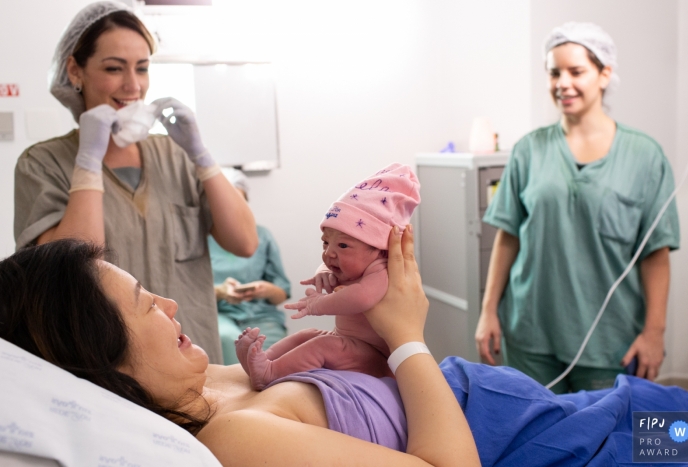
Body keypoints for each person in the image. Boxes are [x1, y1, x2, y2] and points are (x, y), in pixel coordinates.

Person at [0, 231, 480, 466]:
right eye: (146, 304)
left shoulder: (209, 382)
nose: (168, 304)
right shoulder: (234, 437)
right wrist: (406, 336)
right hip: (493, 421)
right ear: (100, 352)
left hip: (474, 390)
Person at [13, 1, 257, 364]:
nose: (133, 85)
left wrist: (201, 156)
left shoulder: (175, 155)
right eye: (114, 68)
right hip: (109, 364)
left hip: (191, 358)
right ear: (75, 71)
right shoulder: (42, 164)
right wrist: (89, 162)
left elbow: (245, 242)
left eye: (142, 69)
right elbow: (76, 270)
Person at [475, 22, 680, 393]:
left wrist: (654, 332)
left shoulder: (644, 156)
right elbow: (508, 238)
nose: (562, 83)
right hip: (530, 335)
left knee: (609, 443)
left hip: (610, 342)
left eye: (576, 71)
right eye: (554, 72)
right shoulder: (528, 151)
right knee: (536, 440)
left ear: (605, 74)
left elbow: (656, 254)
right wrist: (488, 311)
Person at [237, 163, 420, 390]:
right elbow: (326, 266)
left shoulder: (382, 270)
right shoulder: (353, 265)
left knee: (324, 345)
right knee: (308, 335)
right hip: (351, 343)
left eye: (343, 245)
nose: (329, 253)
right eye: (326, 242)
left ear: (379, 248)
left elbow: (361, 298)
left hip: (376, 359)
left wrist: (318, 305)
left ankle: (268, 373)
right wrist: (323, 272)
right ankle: (263, 360)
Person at [210, 168, 291, 365]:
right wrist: (219, 292)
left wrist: (266, 290)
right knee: (227, 343)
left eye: (238, 203)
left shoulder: (262, 236)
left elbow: (282, 293)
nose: (232, 211)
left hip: (262, 317)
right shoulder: (197, 239)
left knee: (271, 361)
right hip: (219, 316)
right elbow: (185, 293)